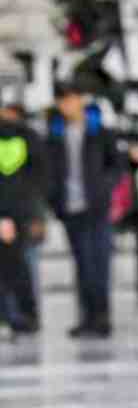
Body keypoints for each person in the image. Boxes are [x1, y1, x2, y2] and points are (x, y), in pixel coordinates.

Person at [46, 82, 120, 338]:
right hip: (70, 207)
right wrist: (53, 199)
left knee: (99, 262)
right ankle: (87, 316)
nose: (68, 105)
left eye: (72, 99)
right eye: (63, 101)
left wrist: (105, 187)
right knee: (82, 263)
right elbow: (50, 170)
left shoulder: (98, 130)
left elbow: (116, 164)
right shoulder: (55, 133)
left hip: (96, 206)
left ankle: (102, 316)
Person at [0, 104, 46, 334]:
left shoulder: (27, 138)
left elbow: (36, 180)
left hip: (20, 215)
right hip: (16, 214)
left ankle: (23, 315)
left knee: (20, 266)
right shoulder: (28, 137)